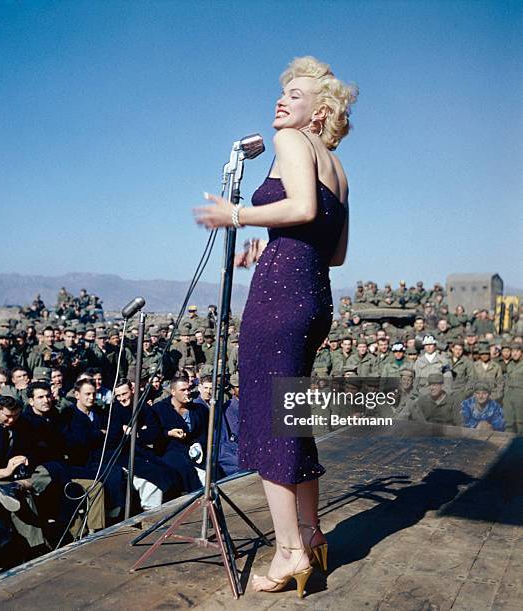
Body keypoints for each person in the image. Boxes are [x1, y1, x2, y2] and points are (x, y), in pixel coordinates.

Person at [194, 55, 356, 596]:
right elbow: (333, 253)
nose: (282, 101)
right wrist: (268, 250)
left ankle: (288, 553)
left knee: (267, 421)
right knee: (293, 416)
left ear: (319, 113)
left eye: (297, 95)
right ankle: (311, 537)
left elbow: (302, 208)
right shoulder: (339, 167)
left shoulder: (291, 141)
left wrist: (236, 216)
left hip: (278, 305)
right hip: (313, 300)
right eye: (283, 92)